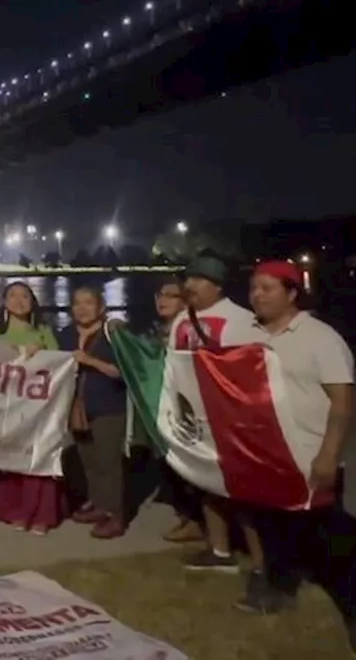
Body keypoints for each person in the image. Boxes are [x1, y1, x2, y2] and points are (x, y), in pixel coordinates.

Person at [238, 261, 355, 626]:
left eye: (267, 288)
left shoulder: (321, 338)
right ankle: (279, 592)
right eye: (254, 288)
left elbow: (342, 401)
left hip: (310, 457)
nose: (257, 295)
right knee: (274, 532)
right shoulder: (249, 335)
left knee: (328, 540)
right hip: (266, 456)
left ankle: (351, 607)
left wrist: (328, 455)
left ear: (292, 294)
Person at [168, 256, 263, 576]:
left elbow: (253, 372)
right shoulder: (182, 319)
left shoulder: (241, 320)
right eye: (188, 279)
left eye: (199, 279)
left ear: (218, 285)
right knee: (207, 484)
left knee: (244, 492)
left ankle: (264, 565)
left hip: (232, 420)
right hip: (195, 419)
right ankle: (220, 551)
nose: (190, 285)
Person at [0, 281, 63, 534]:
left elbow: (59, 363)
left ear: (32, 302)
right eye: (13, 296)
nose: (19, 301)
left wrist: (39, 354)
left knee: (37, 457)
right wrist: (19, 351)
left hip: (37, 407)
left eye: (25, 296)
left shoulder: (43, 330)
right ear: (4, 302)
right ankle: (14, 511)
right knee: (9, 457)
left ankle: (40, 514)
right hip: (4, 405)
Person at [57, 286, 129, 539]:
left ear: (101, 307)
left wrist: (89, 361)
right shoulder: (65, 334)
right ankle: (99, 505)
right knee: (89, 462)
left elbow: (123, 372)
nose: (83, 307)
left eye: (89, 302)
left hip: (109, 407)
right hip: (77, 409)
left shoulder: (114, 333)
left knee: (109, 464)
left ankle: (116, 516)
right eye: (77, 303)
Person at [150, 276, 203, 543]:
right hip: (165, 409)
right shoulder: (159, 331)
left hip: (188, 410)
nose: (162, 300)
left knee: (189, 466)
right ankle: (187, 516)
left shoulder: (192, 331)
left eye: (171, 295)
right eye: (160, 295)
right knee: (170, 464)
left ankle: (195, 520)